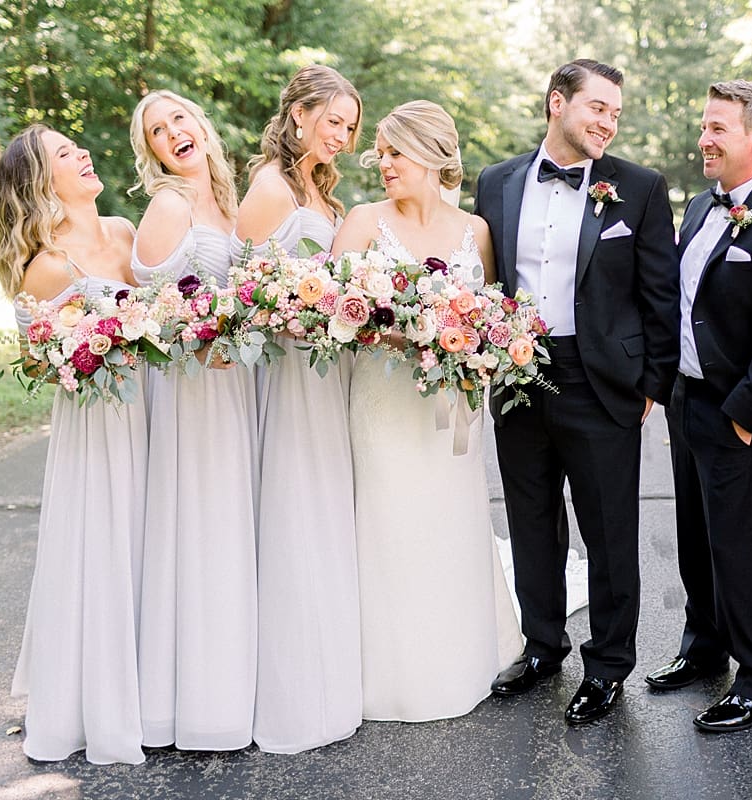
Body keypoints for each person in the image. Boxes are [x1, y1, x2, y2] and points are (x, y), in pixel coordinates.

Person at [474, 59, 680, 725]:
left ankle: (609, 664)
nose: (607, 122)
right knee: (531, 518)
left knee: (609, 529)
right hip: (518, 374)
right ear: (556, 102)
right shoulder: (497, 182)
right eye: (597, 108)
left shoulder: (639, 188)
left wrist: (652, 383)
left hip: (602, 381)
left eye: (615, 113)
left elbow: (661, 293)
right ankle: (542, 648)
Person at [641, 80, 752, 734]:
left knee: (737, 548)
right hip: (687, 400)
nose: (704, 140)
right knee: (695, 536)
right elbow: (678, 304)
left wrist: (745, 414)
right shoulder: (696, 209)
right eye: (704, 125)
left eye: (718, 127)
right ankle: (703, 645)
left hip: (737, 411)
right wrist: (663, 388)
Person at [331, 100, 522, 722]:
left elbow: (488, 315)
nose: (382, 163)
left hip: (451, 408)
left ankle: (460, 654)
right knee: (388, 522)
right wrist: (400, 335)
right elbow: (332, 317)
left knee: (447, 519)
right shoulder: (363, 222)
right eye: (379, 152)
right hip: (383, 402)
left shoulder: (477, 231)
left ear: (435, 157)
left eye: (394, 152)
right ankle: (391, 670)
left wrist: (468, 346)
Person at [0, 124, 147, 764]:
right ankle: (100, 699)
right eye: (64, 154)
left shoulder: (124, 230)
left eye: (75, 145)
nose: (82, 153)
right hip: (101, 424)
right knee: (104, 545)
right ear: (41, 183)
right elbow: (48, 362)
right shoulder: (48, 266)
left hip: (158, 412)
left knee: (150, 546)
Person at [230, 64, 364, 754]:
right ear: (300, 114)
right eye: (332, 120)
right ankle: (293, 677)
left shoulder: (319, 187)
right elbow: (243, 295)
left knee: (327, 500)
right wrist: (300, 318)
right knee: (295, 503)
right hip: (288, 373)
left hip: (328, 365)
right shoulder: (270, 186)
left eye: (349, 125)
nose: (341, 135)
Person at [128, 89, 258, 751]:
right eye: (157, 130)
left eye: (179, 117)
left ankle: (236, 679)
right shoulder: (169, 204)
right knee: (200, 529)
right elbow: (145, 311)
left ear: (200, 126)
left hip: (236, 389)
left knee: (232, 526)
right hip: (193, 394)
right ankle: (194, 698)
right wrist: (199, 338)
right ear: (152, 151)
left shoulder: (227, 204)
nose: (173, 131)